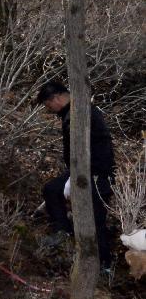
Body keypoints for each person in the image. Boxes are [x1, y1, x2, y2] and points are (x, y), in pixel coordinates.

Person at [37, 81, 115, 271]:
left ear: (56, 98)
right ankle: (63, 232)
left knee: (95, 221)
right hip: (81, 170)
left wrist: (79, 177)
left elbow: (92, 149)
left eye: (48, 105)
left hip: (96, 174)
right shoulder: (71, 113)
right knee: (52, 190)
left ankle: (105, 265)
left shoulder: (80, 113)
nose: (50, 110)